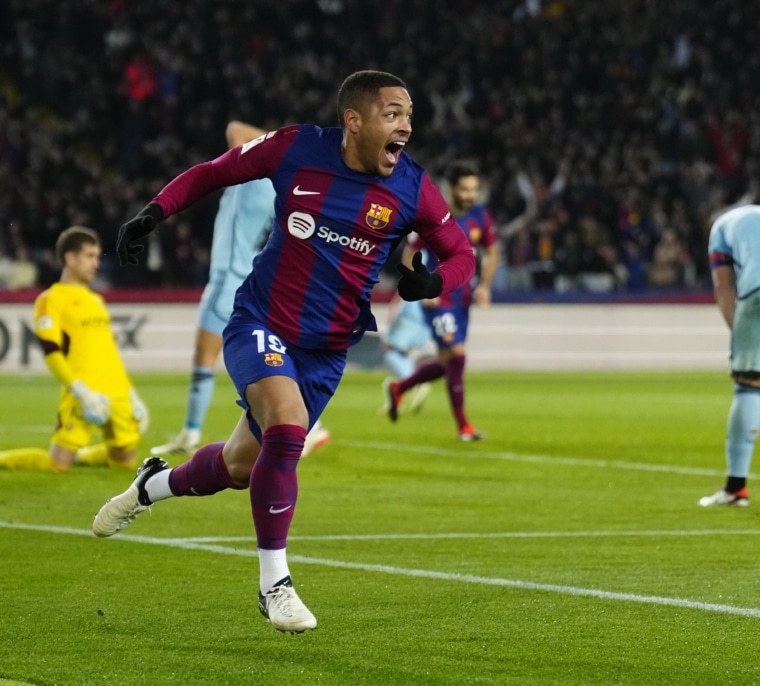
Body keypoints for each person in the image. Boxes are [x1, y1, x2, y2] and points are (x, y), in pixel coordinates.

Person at [91, 70, 476, 634]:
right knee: (289, 427)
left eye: (410, 116)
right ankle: (275, 584)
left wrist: (432, 284)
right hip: (260, 322)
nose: (406, 126)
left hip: (327, 350)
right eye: (394, 113)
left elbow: (461, 254)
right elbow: (212, 172)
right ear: (355, 120)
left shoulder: (413, 188)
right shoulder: (297, 148)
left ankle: (152, 483)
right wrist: (155, 211)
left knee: (239, 467)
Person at [149, 121, 330, 459]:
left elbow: (234, 129)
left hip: (228, 278)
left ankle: (192, 432)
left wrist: (279, 142)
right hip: (248, 277)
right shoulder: (280, 187)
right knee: (264, 356)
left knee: (212, 357)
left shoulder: (256, 179)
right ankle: (307, 424)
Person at [0, 226, 148, 472]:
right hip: (83, 394)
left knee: (125, 463)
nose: (96, 264)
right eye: (90, 256)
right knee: (57, 465)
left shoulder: (97, 300)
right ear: (70, 258)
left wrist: (131, 393)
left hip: (117, 393)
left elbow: (108, 351)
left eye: (96, 256)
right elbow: (51, 351)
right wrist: (79, 390)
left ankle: (85, 456)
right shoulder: (51, 299)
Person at [385, 161, 499, 441]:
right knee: (457, 357)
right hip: (439, 298)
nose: (471, 195)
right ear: (451, 189)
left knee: (448, 360)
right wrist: (422, 288)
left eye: (474, 189)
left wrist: (484, 285)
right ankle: (464, 427)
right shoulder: (436, 216)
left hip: (464, 300)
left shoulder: (480, 217)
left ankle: (399, 389)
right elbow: (410, 253)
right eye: (465, 189)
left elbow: (493, 251)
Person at [699, 204, 760, 507]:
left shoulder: (719, 229)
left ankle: (735, 488)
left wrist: (741, 337)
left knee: (748, 387)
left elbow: (724, 288)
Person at [379, 290, 433, 414]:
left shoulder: (410, 293)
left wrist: (389, 335)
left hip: (408, 329)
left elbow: (395, 308)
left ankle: (413, 383)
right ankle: (402, 392)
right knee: (399, 360)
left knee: (392, 356)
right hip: (419, 331)